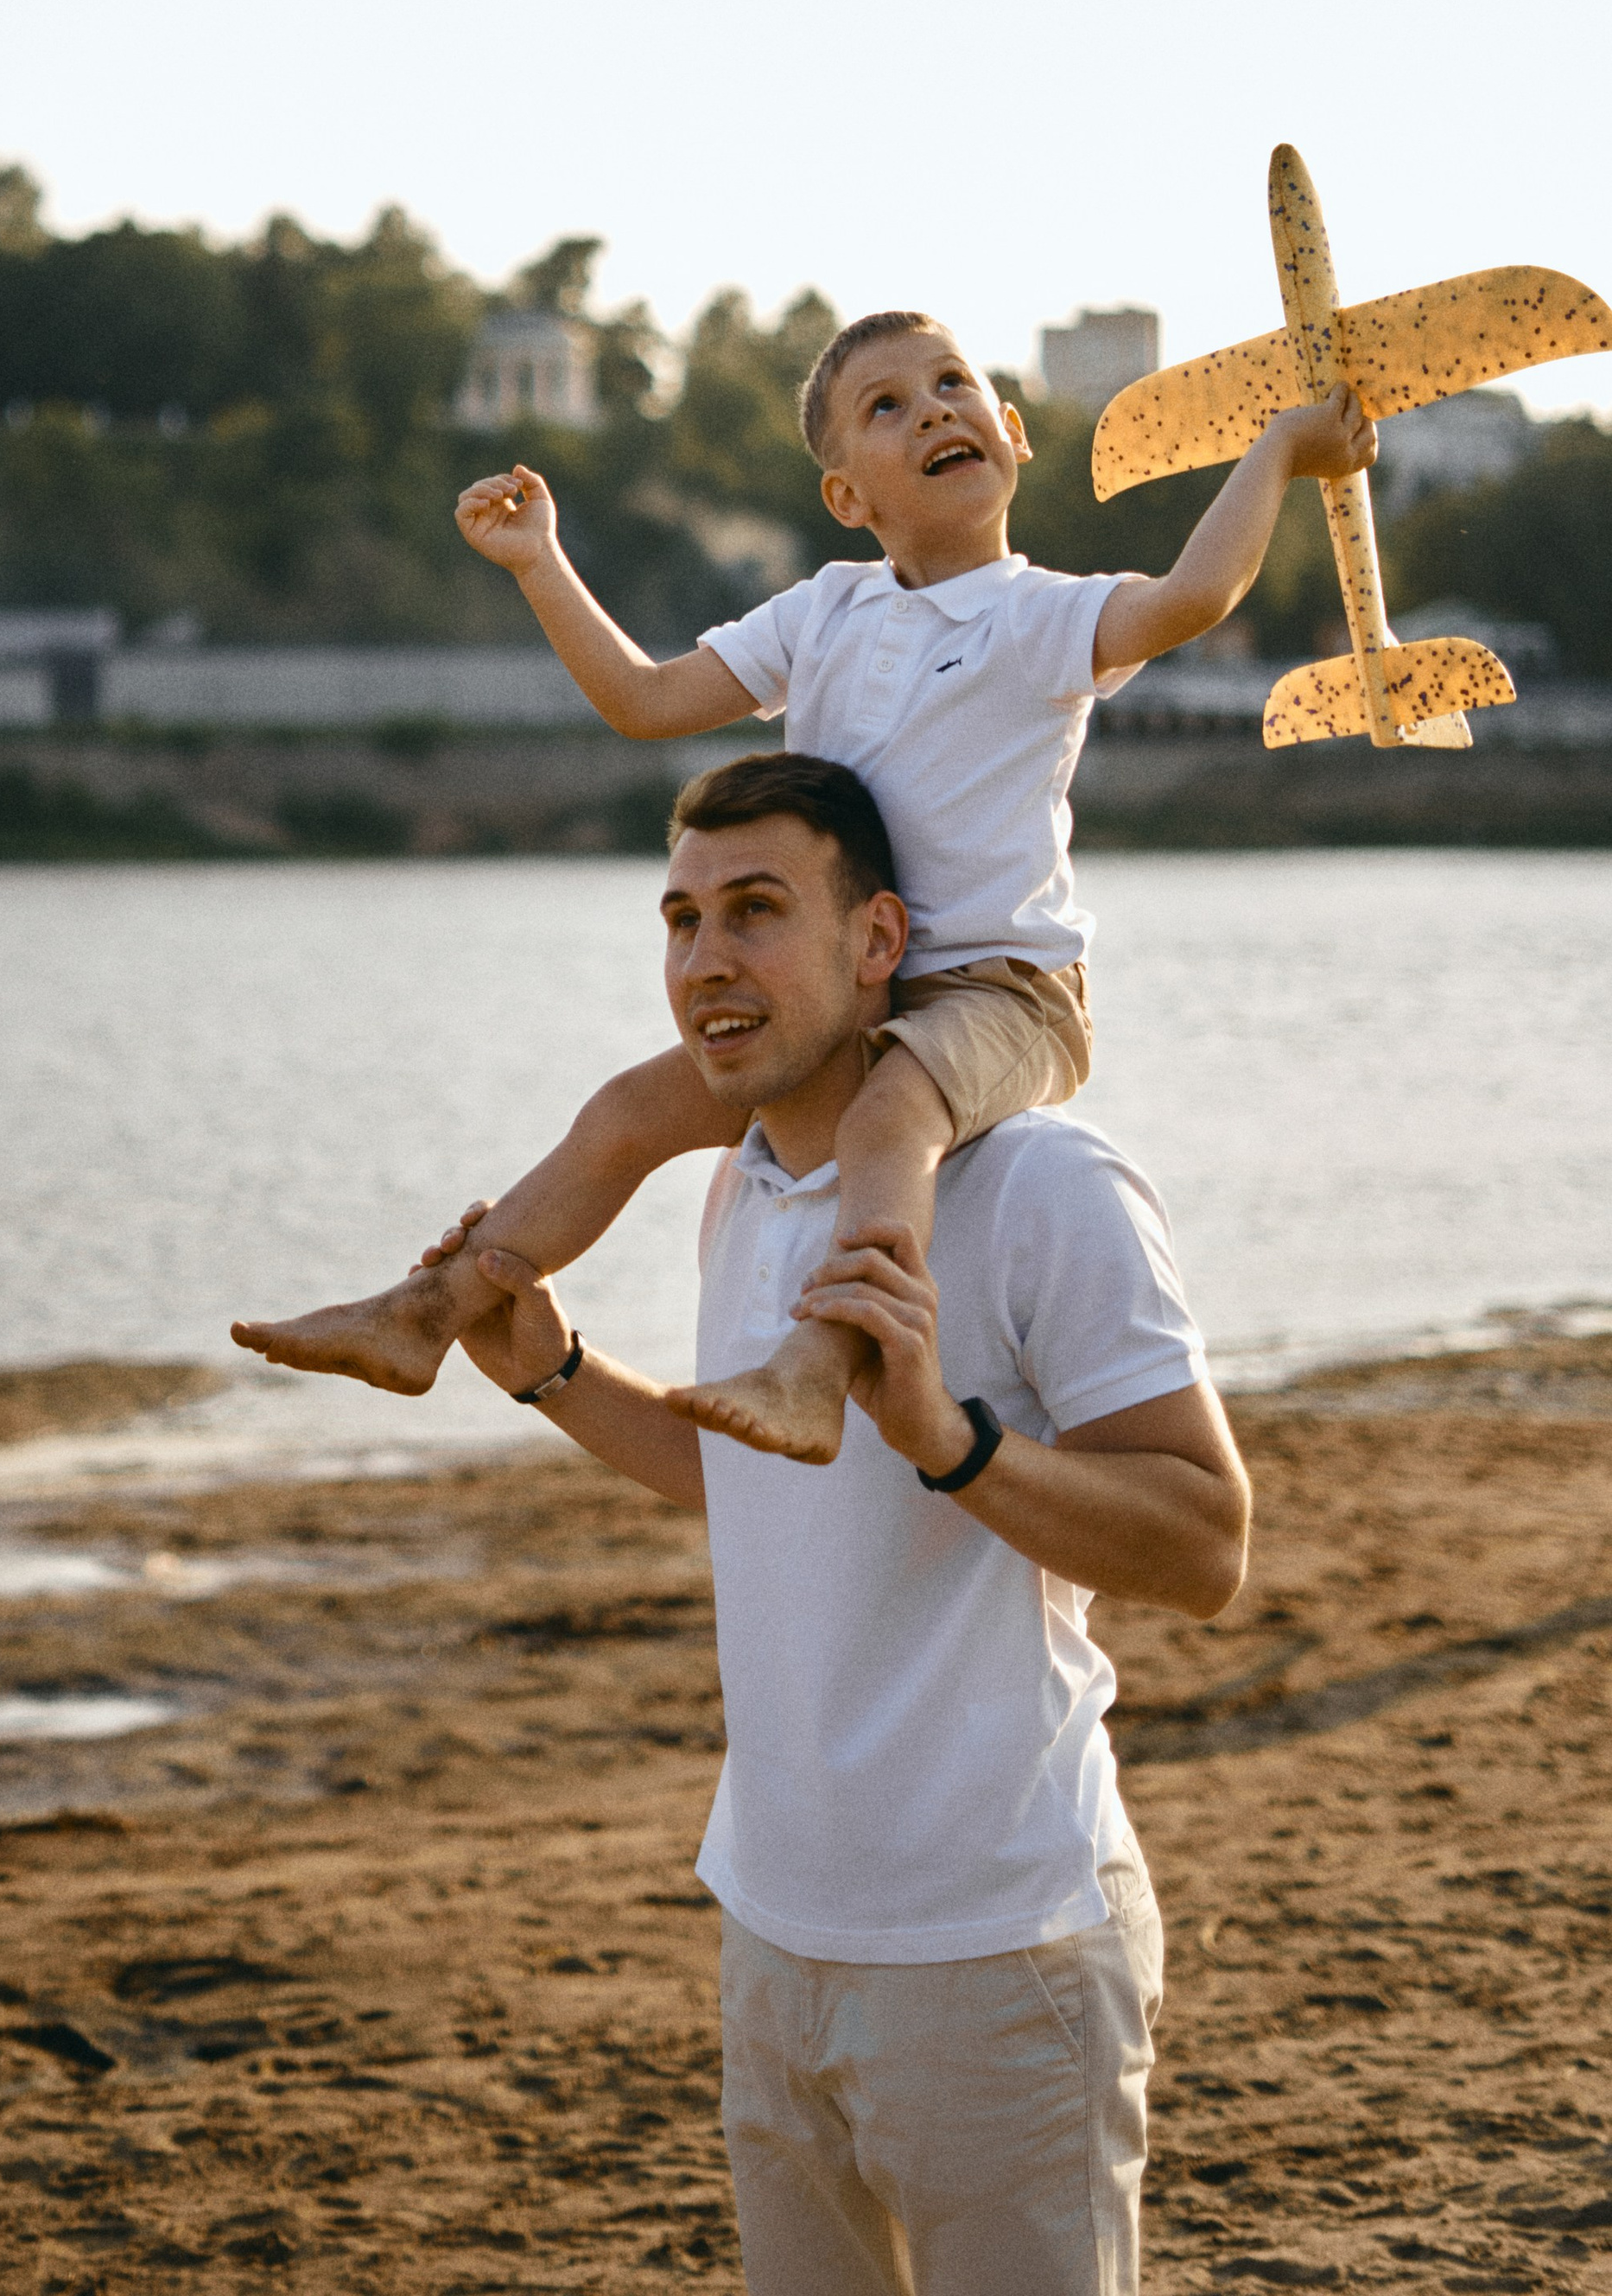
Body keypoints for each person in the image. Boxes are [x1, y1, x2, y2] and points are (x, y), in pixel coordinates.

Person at [234, 307, 1368, 1462]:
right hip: (838, 991)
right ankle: (427, 1313)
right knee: (629, 1112)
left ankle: (820, 1363)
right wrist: (540, 562)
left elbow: (1190, 599)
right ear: (847, 498)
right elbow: (647, 699)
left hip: (1000, 991)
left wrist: (1277, 450)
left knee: (889, 1113)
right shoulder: (827, 608)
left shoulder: (1042, 615)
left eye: (952, 385)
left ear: (1013, 432)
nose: (933, 408)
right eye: (887, 406)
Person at [435, 747, 1248, 2294]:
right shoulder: (740, 1186)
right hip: (773, 1929)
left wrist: (950, 1439)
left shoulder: (1047, 1186)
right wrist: (548, 1366)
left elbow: (1208, 1543)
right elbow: (749, 1484)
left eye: (756, 910)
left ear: (878, 942)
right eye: (680, 920)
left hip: (1001, 1950)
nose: (706, 960)